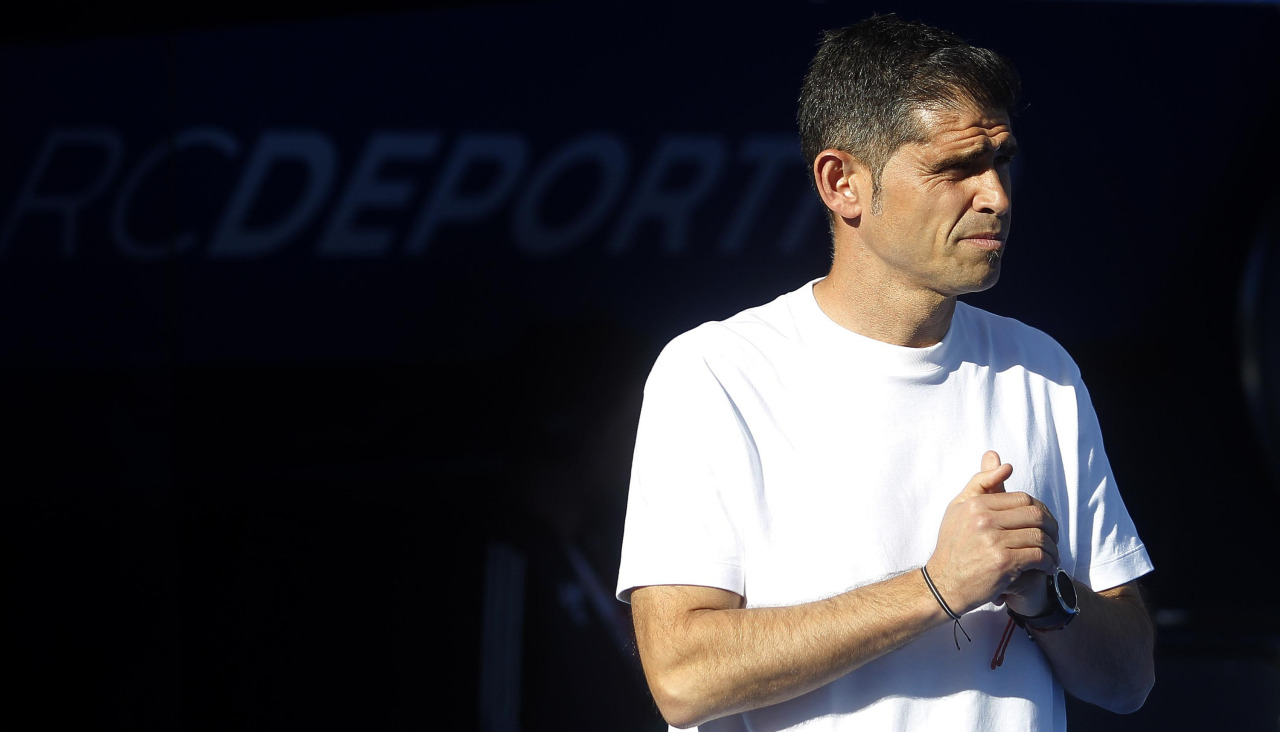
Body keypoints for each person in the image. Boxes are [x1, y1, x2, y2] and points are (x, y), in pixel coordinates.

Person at [615, 14, 1155, 732]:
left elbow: (1131, 679)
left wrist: (1045, 597)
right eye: (955, 168)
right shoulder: (716, 373)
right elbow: (682, 676)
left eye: (1001, 160)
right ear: (843, 184)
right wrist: (937, 585)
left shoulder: (1043, 370)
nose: (996, 195)